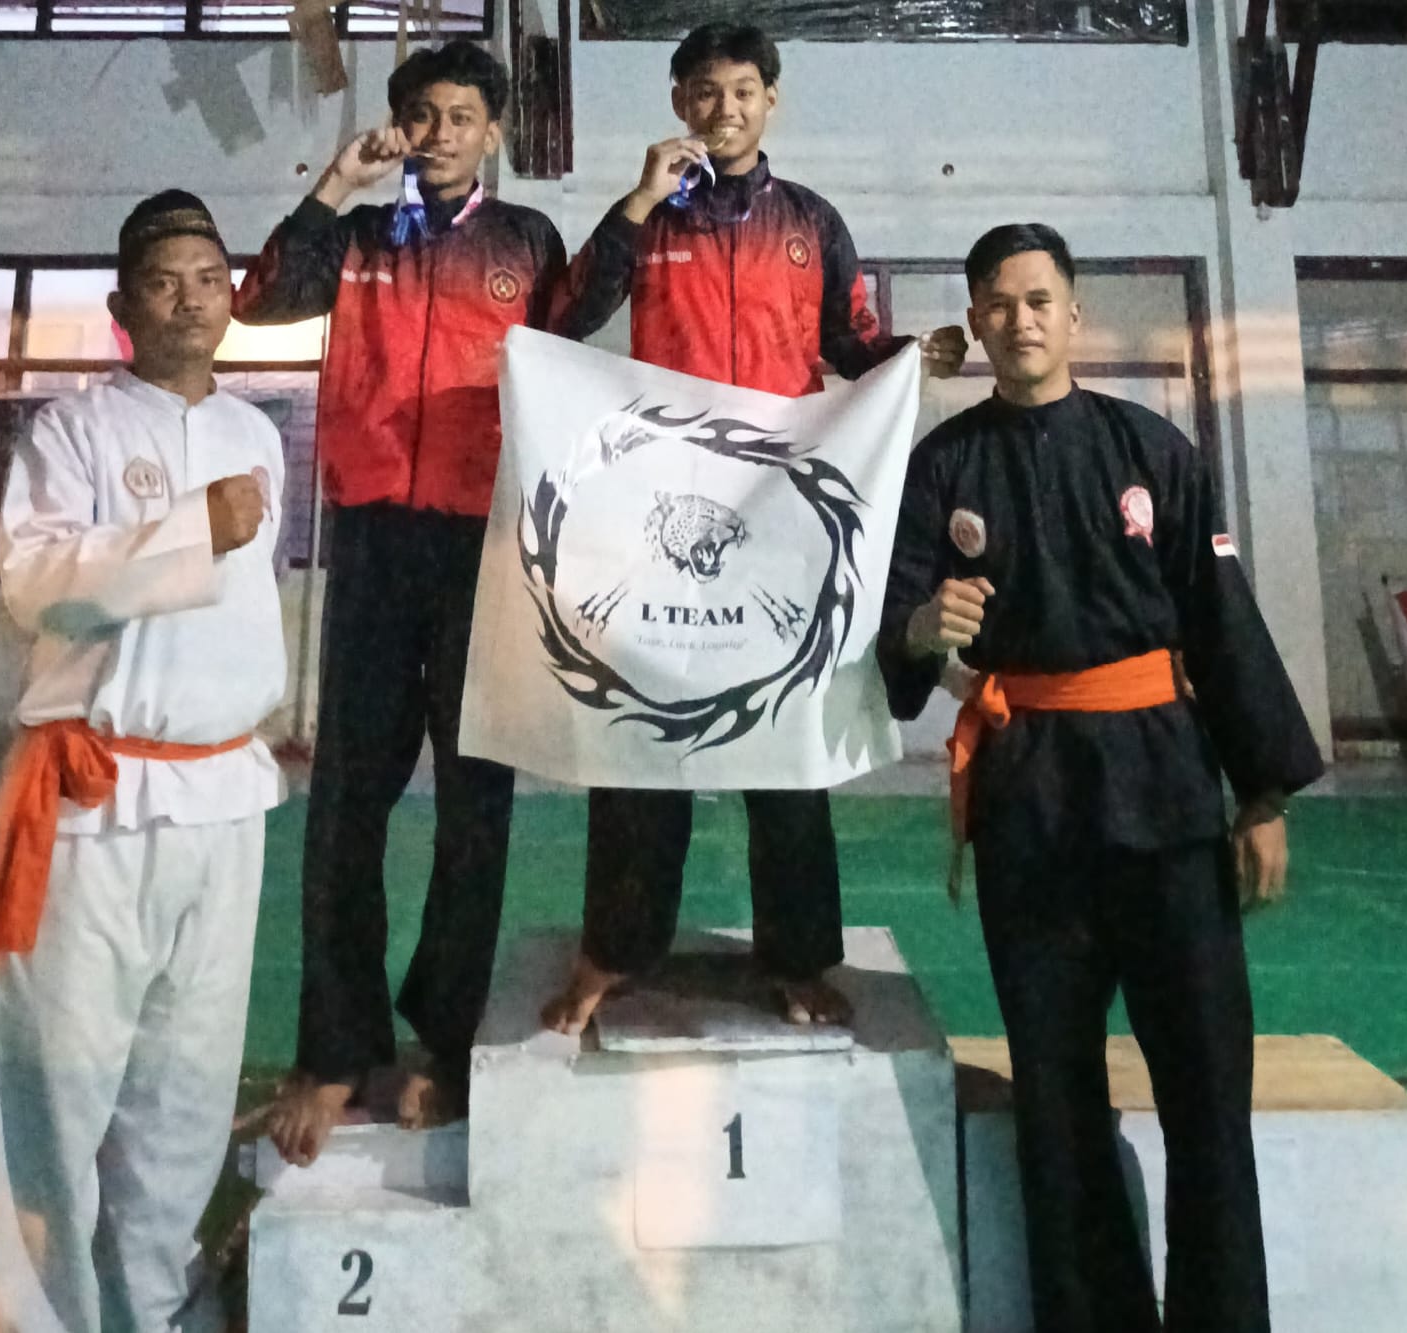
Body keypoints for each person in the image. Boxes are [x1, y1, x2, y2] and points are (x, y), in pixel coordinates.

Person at [877, 222, 1324, 1333]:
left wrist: (1259, 792)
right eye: (997, 303)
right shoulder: (943, 466)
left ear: (1074, 315)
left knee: (1207, 1093)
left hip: (1165, 795)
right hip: (1030, 805)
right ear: (975, 323)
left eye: (1038, 300)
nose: (1019, 320)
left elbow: (1219, 618)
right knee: (1057, 1097)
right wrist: (927, 626)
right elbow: (895, 627)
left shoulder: (1151, 449)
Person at [541, 22, 967, 1034]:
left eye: (742, 90)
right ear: (678, 103)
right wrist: (637, 200)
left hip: (780, 519)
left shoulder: (811, 222)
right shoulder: (649, 219)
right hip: (661, 515)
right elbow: (568, 316)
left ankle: (800, 956)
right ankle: (614, 951)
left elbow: (850, 344)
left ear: (771, 99)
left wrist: (911, 358)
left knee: (785, 739)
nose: (723, 108)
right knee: (643, 733)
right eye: (703, 91)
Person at [233, 39, 569, 1166]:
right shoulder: (361, 237)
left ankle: (444, 1038)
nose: (440, 134)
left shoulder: (528, 243)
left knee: (476, 807)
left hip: (482, 540)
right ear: (399, 125)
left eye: (462, 116)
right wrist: (337, 183)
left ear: (493, 132)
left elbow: (578, 365)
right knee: (346, 805)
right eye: (422, 114)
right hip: (372, 535)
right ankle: (335, 1047)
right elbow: (263, 299)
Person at [0, 190, 286, 1333]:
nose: (190, 300)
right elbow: (37, 585)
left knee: (185, 1090)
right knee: (56, 1080)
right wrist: (193, 527)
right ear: (121, 305)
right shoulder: (73, 430)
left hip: (224, 795)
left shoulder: (256, 435)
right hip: (95, 796)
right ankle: (31, 1318)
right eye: (163, 282)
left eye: (208, 279)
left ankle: (152, 1309)